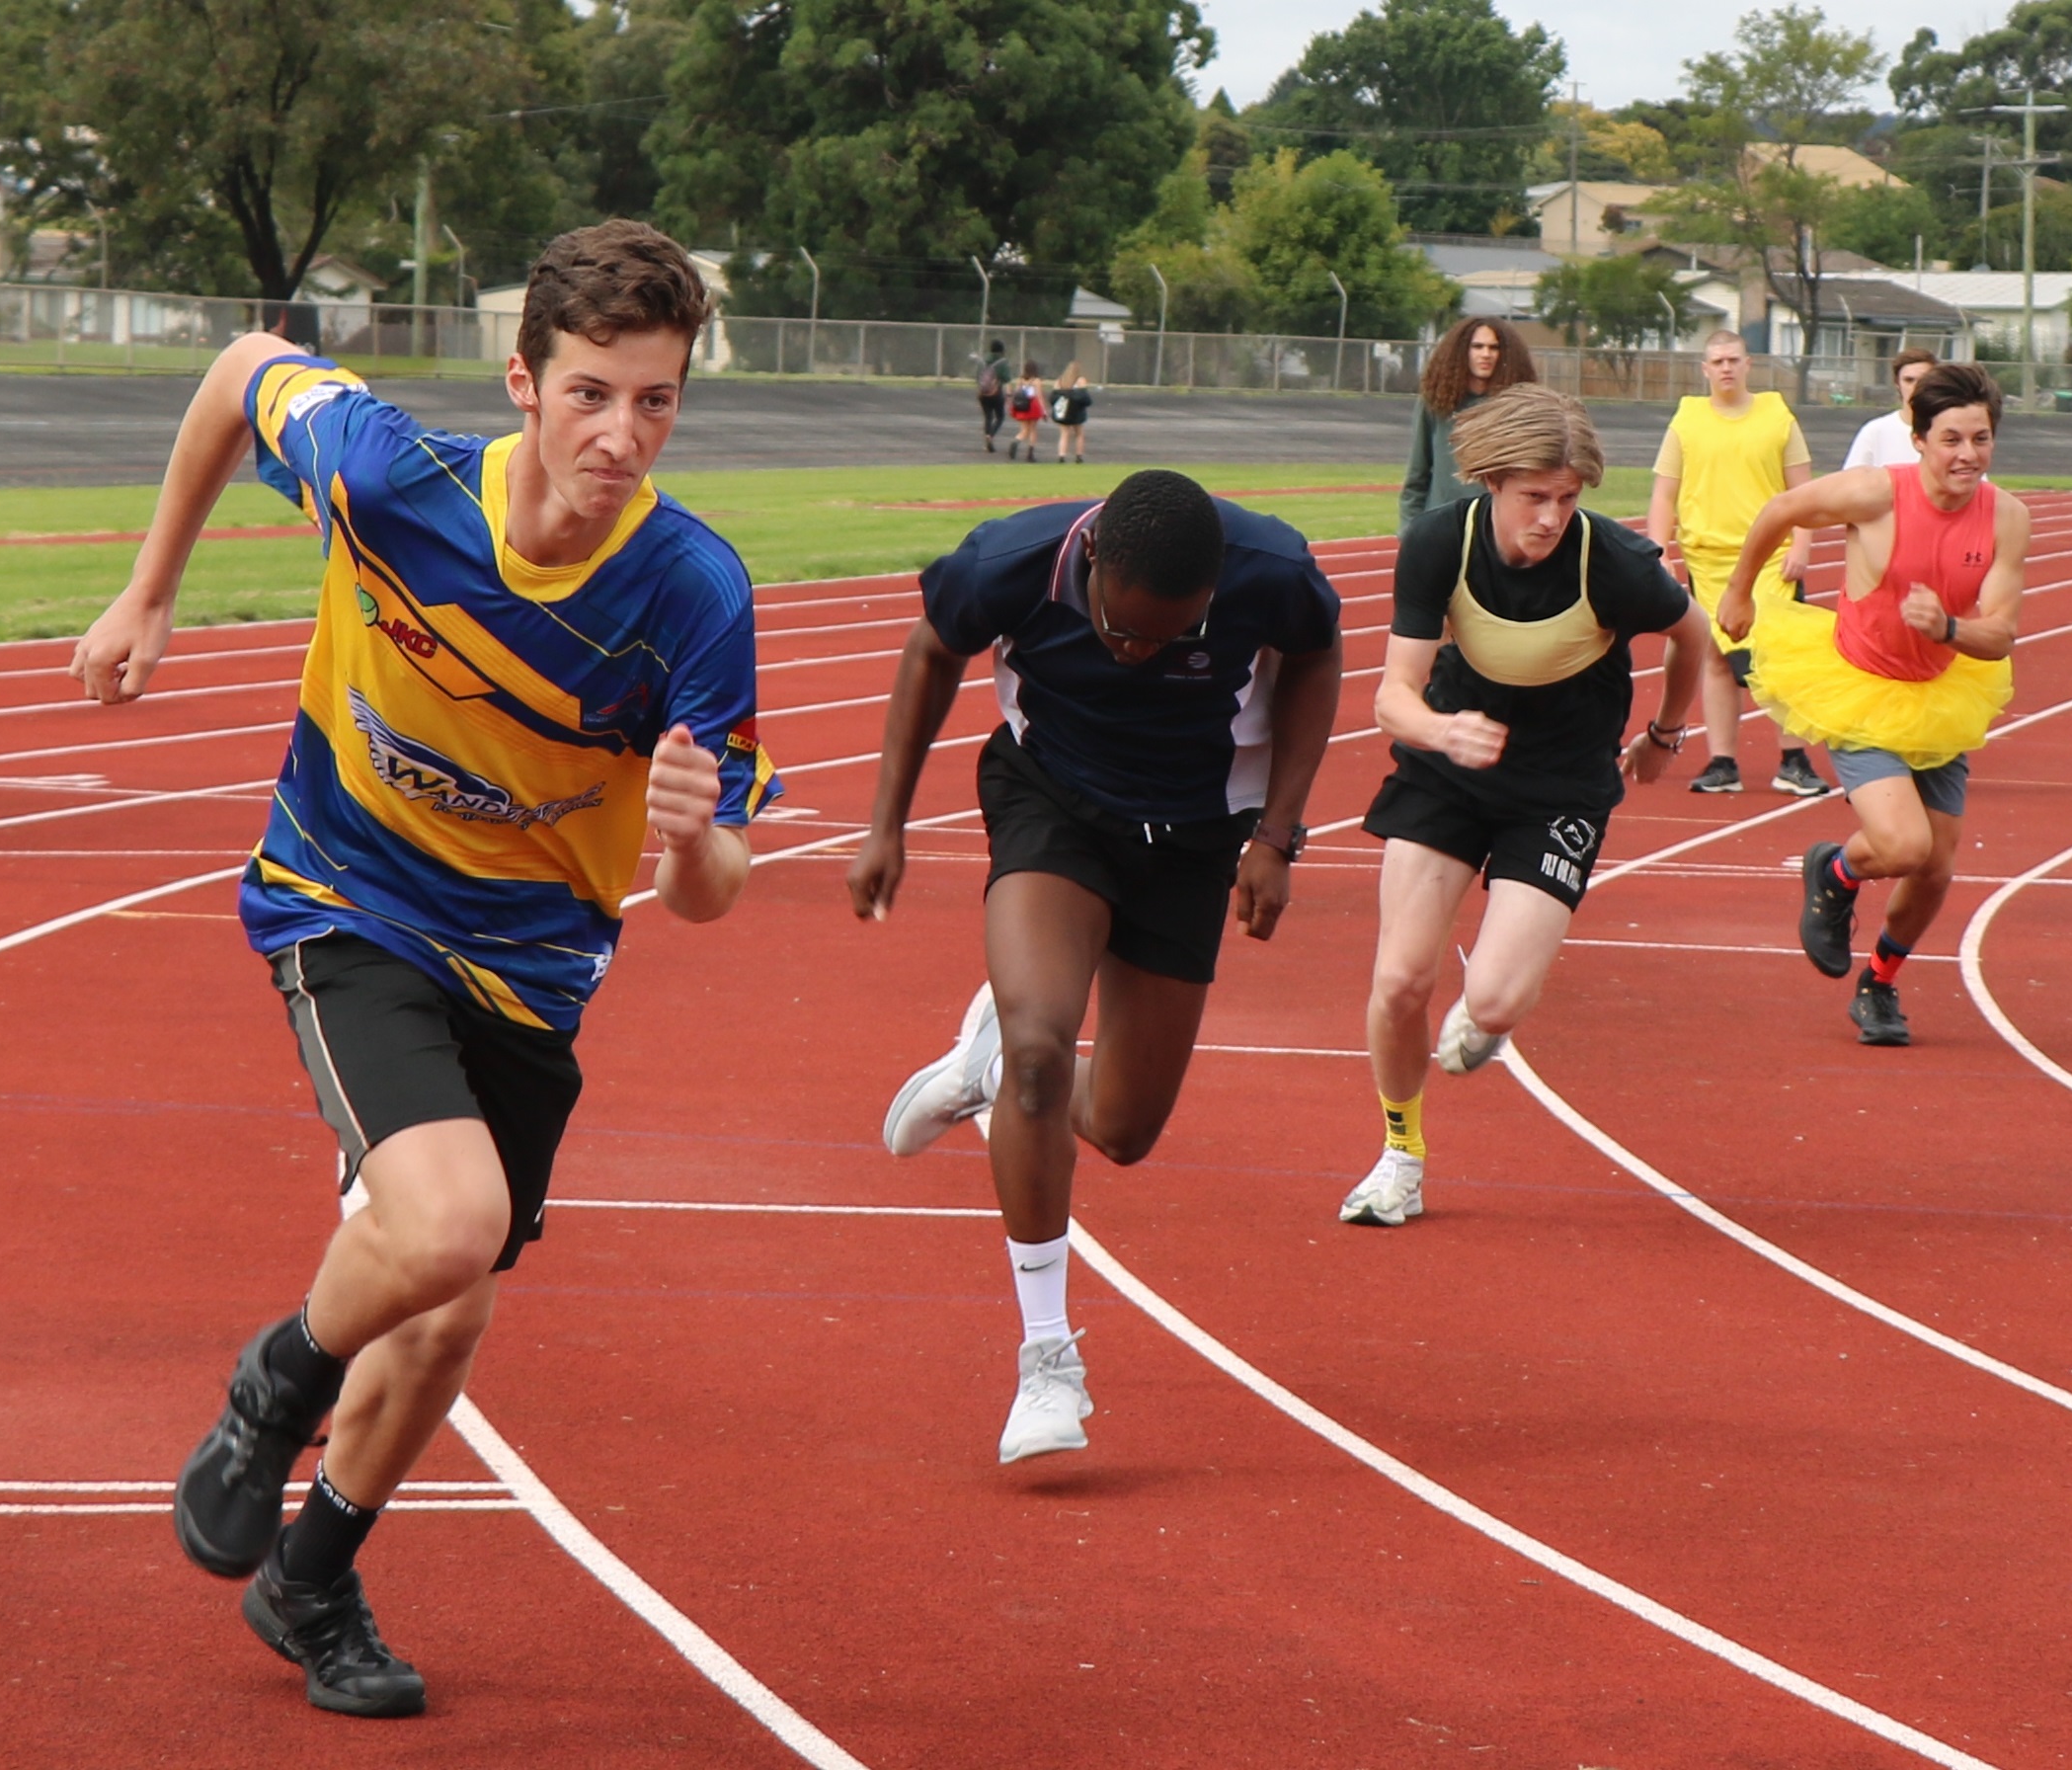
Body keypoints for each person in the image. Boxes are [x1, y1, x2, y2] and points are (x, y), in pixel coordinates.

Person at [67, 221, 777, 1718]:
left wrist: (697, 843)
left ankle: (311, 1574)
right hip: (353, 903)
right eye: (592, 392)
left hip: (535, 969)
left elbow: (712, 899)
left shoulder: (694, 593)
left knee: (449, 1309)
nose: (623, 434)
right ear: (522, 381)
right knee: (452, 1224)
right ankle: (269, 1395)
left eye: (656, 401)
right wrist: (151, 589)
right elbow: (238, 368)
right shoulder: (389, 475)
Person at [850, 469, 1342, 1463]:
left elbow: (1317, 655)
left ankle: (985, 1062)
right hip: (1056, 800)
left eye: (1170, 639)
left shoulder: (1270, 569)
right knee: (1043, 1051)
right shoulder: (1011, 562)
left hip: (1198, 832)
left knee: (1123, 1126)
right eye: (1122, 633)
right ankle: (1046, 1361)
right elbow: (930, 653)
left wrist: (1277, 836)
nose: (1138, 655)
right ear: (1092, 567)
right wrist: (886, 824)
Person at [1344, 385, 1709, 1227]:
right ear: (1490, 484)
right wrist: (1442, 731)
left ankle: (1496, 1009)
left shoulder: (1611, 562)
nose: (1550, 517)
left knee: (1496, 1006)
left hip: (1559, 789)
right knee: (1401, 982)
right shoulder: (1439, 543)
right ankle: (1401, 1154)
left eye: (1568, 498)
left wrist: (1665, 733)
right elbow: (1392, 698)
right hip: (1448, 771)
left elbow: (1694, 638)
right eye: (1534, 498)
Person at [1716, 362, 2030, 1047]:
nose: (1967, 455)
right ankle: (1833, 869)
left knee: (1936, 869)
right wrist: (1740, 591)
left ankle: (1880, 984)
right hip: (1858, 686)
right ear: (1918, 439)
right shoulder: (1874, 494)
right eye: (1951, 439)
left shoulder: (2007, 516)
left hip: (1940, 692)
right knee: (1902, 845)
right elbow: (1780, 510)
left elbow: (2001, 634)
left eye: (1980, 439)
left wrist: (1948, 627)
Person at [1645, 330, 1833, 799]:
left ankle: (1794, 760)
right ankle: (1722, 761)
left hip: (1769, 557)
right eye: (1717, 361)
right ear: (1705, 370)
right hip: (1707, 559)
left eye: (1733, 359)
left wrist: (1802, 544)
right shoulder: (1687, 421)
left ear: (1748, 365)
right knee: (1714, 657)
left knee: (1778, 654)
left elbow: (1802, 491)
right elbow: (1665, 492)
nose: (1726, 368)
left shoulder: (1776, 416)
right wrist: (1656, 550)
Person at [1401, 316, 1539, 524]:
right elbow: (1417, 476)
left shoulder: (1520, 407)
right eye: (1477, 346)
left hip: (1497, 527)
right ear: (1462, 351)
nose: (1486, 354)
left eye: (1494, 348)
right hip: (1442, 525)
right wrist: (1409, 531)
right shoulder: (1435, 402)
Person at [1842, 347, 1939, 470]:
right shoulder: (1875, 431)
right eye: (1909, 380)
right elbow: (1852, 481)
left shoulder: (1949, 431)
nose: (1916, 387)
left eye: (1923, 380)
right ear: (1897, 384)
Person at [1050, 362, 1094, 462]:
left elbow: (1053, 397)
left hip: (1064, 411)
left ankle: (1062, 455)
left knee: (1064, 433)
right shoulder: (1080, 380)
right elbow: (1084, 397)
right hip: (1076, 411)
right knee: (1079, 433)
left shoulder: (1060, 381)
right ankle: (1079, 456)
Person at [977, 340, 1012, 452]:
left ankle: (987, 437)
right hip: (996, 393)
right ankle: (991, 435)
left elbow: (977, 377)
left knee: (988, 416)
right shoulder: (1002, 362)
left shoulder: (983, 361)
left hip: (983, 393)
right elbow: (1007, 379)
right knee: (1000, 416)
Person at [1007, 360, 1045, 462]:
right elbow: (1039, 396)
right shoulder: (1036, 381)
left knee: (1024, 430)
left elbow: (1016, 392)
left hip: (1022, 405)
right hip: (1032, 405)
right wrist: (1044, 410)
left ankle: (1016, 440)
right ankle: (1030, 454)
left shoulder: (1021, 379)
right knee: (1033, 429)